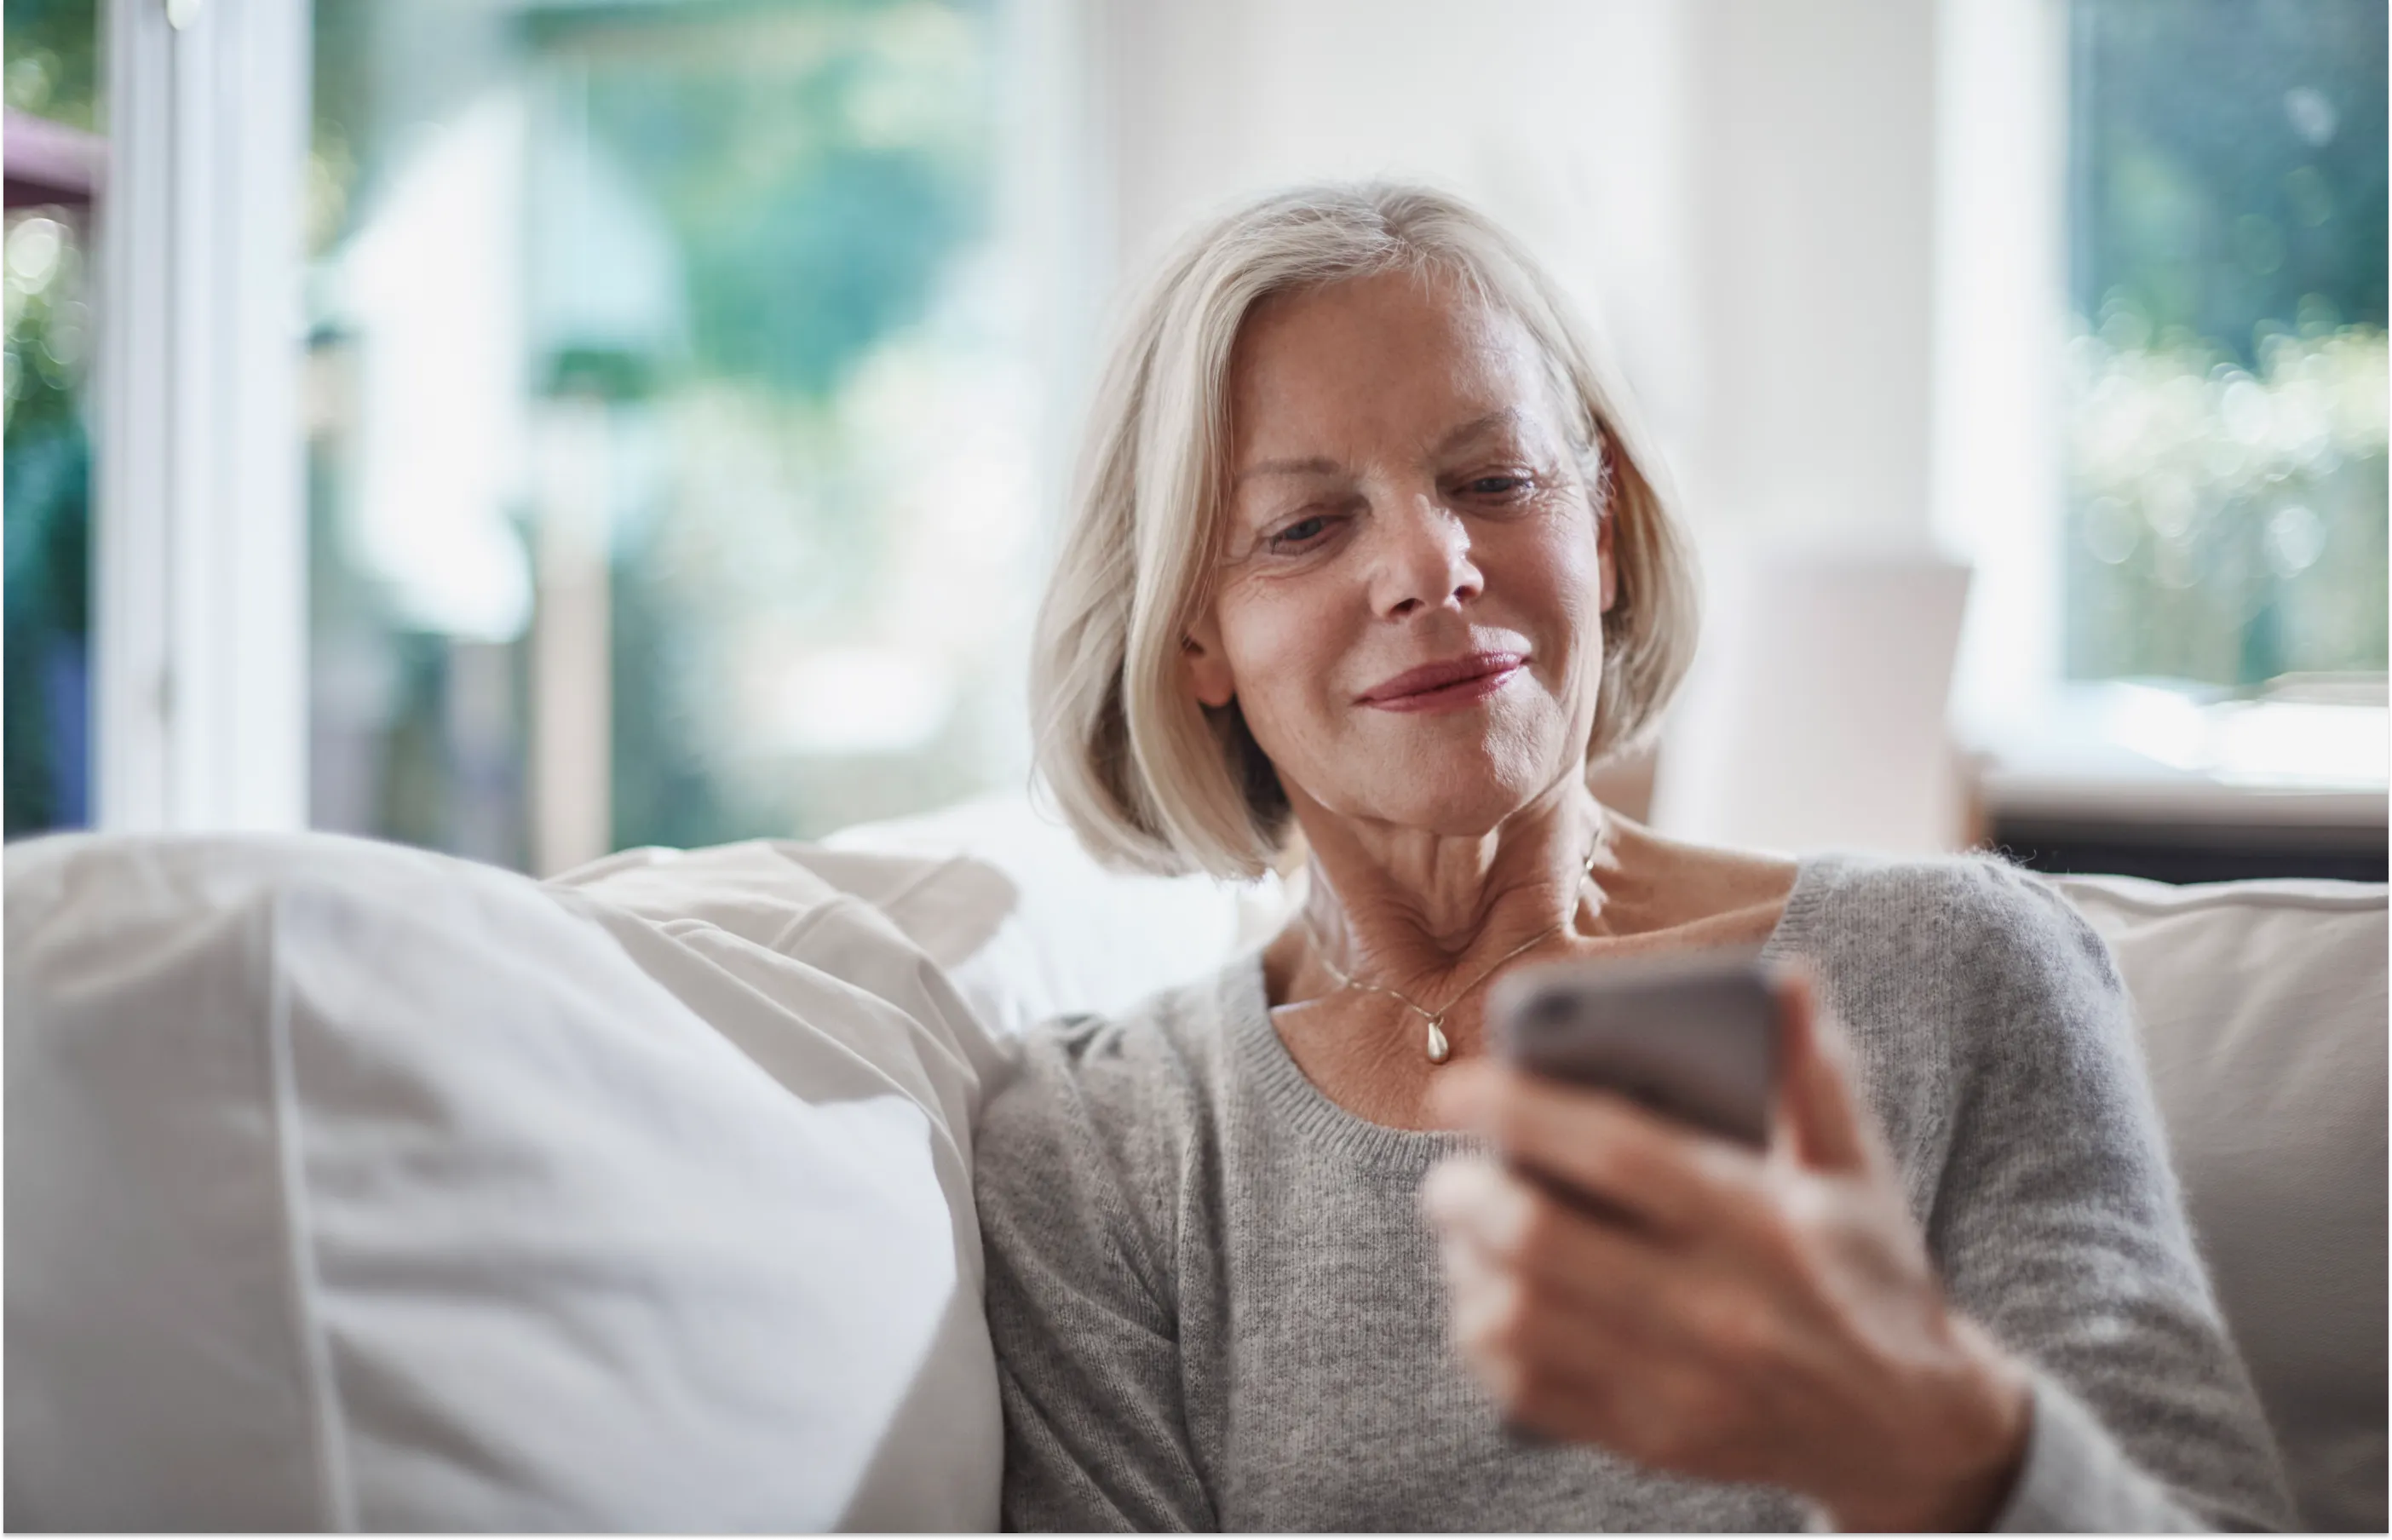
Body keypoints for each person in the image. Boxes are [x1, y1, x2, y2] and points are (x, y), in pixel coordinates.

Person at [974, 182, 2289, 1532]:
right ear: (1193, 637)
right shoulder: (1101, 1148)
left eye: (1494, 482)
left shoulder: (1958, 972)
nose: (1434, 564)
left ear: (1597, 531)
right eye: (1307, 527)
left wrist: (1946, 1450)